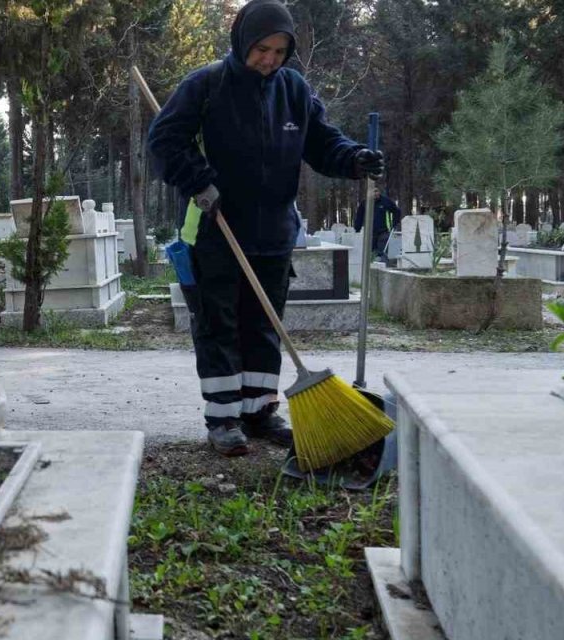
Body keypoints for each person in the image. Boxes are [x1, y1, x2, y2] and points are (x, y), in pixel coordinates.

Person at [147, 0, 384, 456]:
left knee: (263, 327)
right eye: (261, 49)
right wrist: (199, 181)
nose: (269, 60)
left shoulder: (294, 89)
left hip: (273, 232)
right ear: (242, 42)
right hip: (215, 228)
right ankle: (223, 418)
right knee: (218, 325)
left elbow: (322, 142)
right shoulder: (206, 84)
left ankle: (258, 411)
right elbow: (163, 142)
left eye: (279, 51)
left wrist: (354, 158)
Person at [354, 186, 402, 261]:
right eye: (373, 191)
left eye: (376, 191)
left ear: (379, 192)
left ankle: (383, 265)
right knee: (371, 253)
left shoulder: (386, 201)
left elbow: (397, 211)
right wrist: (357, 229)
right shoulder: (365, 203)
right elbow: (359, 217)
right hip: (370, 233)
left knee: (382, 252)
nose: (375, 193)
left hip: (384, 232)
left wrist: (395, 223)